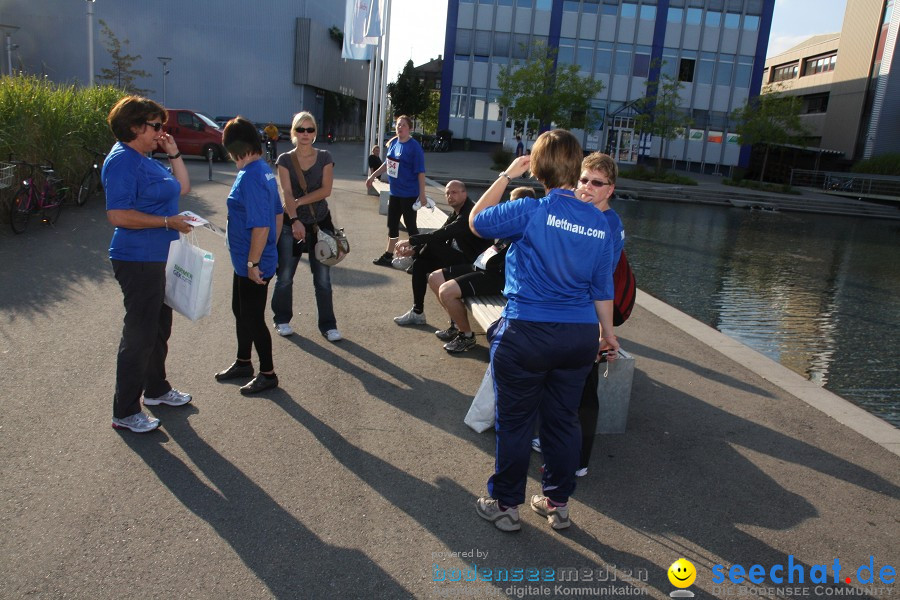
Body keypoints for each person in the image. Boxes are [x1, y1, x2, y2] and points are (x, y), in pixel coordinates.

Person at [469, 129, 620, 532]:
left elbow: (476, 222)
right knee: (562, 421)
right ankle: (557, 503)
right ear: (577, 165)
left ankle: (505, 505)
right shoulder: (601, 221)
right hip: (578, 337)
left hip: (528, 333)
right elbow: (603, 286)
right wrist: (608, 335)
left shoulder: (533, 210)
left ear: (536, 168)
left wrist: (505, 176)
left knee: (516, 422)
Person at [103, 95, 194, 433]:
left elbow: (181, 187)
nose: (162, 131)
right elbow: (118, 214)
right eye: (156, 126)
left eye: (163, 126)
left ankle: (156, 390)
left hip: (159, 257)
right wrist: (167, 223)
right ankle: (125, 411)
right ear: (134, 126)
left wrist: (173, 152)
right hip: (137, 258)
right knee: (139, 333)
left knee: (158, 329)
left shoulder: (145, 157)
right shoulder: (123, 161)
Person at [530, 153, 624, 476]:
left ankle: (579, 459)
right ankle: (551, 438)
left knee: (584, 390)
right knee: (563, 382)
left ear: (610, 189)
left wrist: (603, 331)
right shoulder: (584, 215)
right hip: (570, 316)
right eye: (583, 180)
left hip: (586, 319)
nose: (588, 187)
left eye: (597, 183)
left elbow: (600, 281)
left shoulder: (608, 224)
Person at [213, 117, 282, 394]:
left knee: (253, 317)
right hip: (247, 260)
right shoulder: (263, 170)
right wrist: (267, 251)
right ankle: (244, 362)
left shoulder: (252, 175)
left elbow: (263, 224)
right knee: (240, 311)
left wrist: (256, 261)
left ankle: (268, 373)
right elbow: (278, 213)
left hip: (252, 263)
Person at [427, 186, 536, 353]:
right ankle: (456, 325)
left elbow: (478, 221)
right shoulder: (511, 221)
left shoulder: (528, 225)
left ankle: (467, 336)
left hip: (498, 276)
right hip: (483, 264)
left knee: (446, 291)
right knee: (435, 278)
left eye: (513, 203)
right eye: (509, 202)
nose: (509, 206)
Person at [270, 111, 342, 342]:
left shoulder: (324, 157)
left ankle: (328, 325)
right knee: (285, 276)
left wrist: (300, 203)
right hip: (293, 226)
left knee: (322, 278)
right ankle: (281, 319)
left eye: (310, 129)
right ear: (294, 132)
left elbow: (325, 190)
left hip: (320, 225)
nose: (305, 134)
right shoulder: (285, 160)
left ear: (315, 133)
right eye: (301, 129)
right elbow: (286, 192)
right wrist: (294, 219)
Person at [393, 180, 492, 327]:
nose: (450, 196)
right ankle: (417, 312)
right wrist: (415, 248)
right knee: (421, 264)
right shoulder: (457, 210)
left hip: (474, 264)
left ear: (465, 193)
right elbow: (441, 232)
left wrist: (412, 242)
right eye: (447, 193)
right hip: (459, 256)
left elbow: (444, 233)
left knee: (432, 245)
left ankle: (413, 259)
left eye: (454, 192)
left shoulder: (469, 213)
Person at [365, 115, 426, 266]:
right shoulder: (394, 144)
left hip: (409, 193)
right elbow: (387, 164)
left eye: (404, 125)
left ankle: (418, 257)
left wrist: (422, 194)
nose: (400, 127)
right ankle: (388, 254)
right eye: (398, 125)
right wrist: (372, 176)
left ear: (410, 128)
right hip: (395, 192)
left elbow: (421, 172)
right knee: (392, 225)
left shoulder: (414, 147)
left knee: (411, 226)